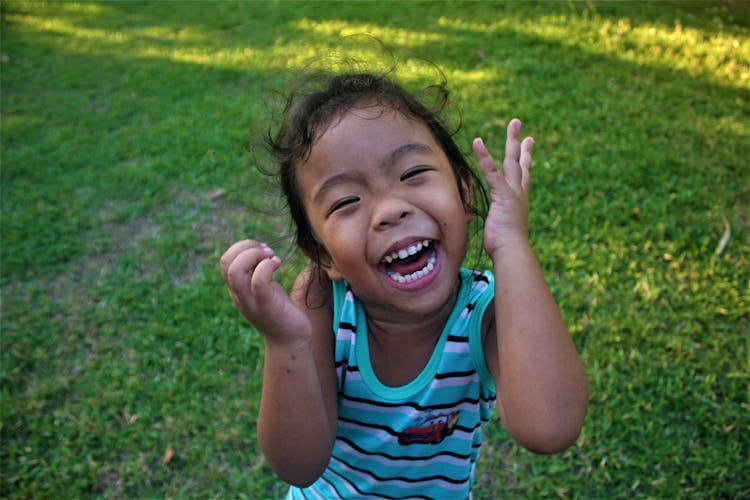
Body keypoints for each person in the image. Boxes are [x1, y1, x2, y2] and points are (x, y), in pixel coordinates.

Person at [220, 71, 588, 499]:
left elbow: (551, 428)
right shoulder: (321, 301)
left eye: (412, 173)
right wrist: (285, 343)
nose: (390, 210)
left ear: (464, 193)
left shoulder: (485, 313)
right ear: (322, 254)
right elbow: (298, 467)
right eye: (345, 202)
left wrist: (511, 243)